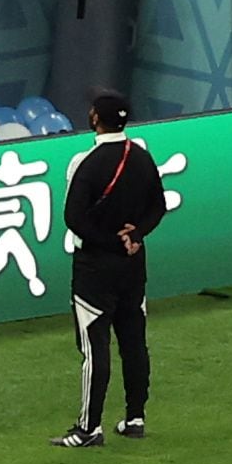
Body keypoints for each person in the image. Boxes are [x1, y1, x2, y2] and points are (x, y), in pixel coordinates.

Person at [57, 90, 170, 445]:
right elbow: (158, 206)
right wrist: (135, 235)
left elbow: (73, 217)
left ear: (95, 119)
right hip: (133, 263)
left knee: (94, 346)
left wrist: (108, 241)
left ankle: (89, 427)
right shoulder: (141, 157)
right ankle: (135, 417)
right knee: (134, 341)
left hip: (95, 266)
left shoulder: (85, 163)